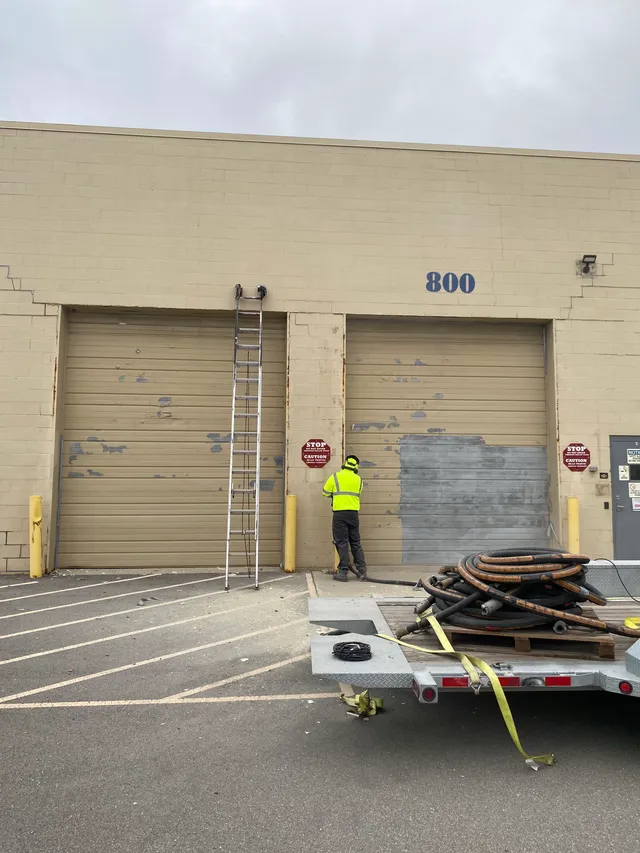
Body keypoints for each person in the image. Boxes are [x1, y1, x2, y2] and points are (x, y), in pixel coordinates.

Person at [322, 454, 367, 582]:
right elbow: (358, 493)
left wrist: (335, 495)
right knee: (355, 542)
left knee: (341, 543)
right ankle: (362, 570)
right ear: (356, 466)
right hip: (353, 514)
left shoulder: (335, 476)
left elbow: (325, 492)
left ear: (345, 463)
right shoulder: (359, 479)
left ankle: (343, 572)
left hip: (339, 514)